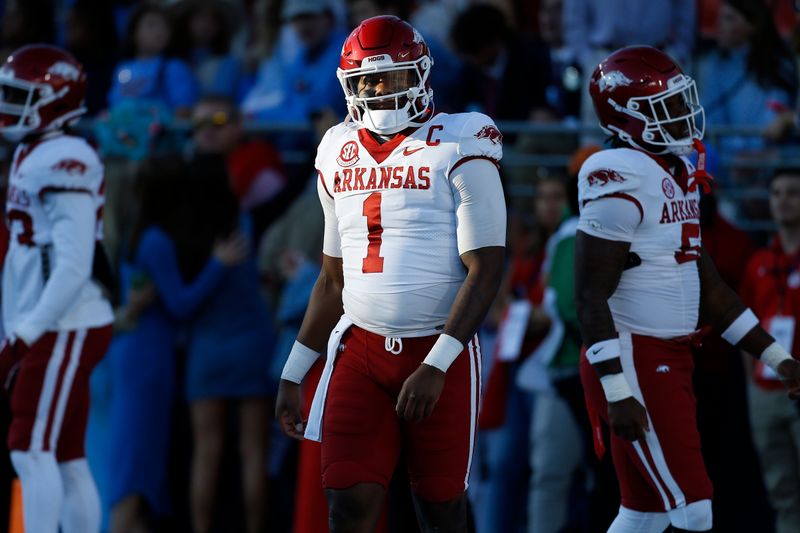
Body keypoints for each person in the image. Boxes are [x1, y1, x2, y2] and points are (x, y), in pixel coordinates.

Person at [274, 15, 506, 532]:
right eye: (366, 81)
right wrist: (295, 370)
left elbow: (487, 267)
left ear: (421, 74)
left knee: (441, 509)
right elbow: (332, 279)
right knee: (347, 504)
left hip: (437, 346)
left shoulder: (461, 139)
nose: (379, 90)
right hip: (358, 349)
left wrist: (439, 363)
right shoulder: (336, 147)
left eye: (393, 77)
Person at [575, 45, 800, 533]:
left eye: (681, 101)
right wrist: (616, 387)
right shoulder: (615, 173)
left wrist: (777, 357)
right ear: (626, 116)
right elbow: (589, 294)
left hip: (669, 356)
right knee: (694, 508)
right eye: (666, 106)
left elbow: (709, 286)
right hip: (634, 357)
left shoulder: (679, 173)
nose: (682, 114)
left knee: (643, 514)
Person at [0, 44, 115, 533]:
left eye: (18, 95)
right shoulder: (36, 149)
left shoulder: (64, 156)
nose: (7, 104)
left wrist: (27, 331)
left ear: (56, 98)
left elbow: (73, 264)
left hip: (65, 320)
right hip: (56, 318)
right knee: (64, 454)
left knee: (29, 448)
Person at [739, 167, 800, 533]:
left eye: (793, 192)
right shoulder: (758, 262)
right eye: (776, 192)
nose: (783, 200)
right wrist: (752, 382)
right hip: (764, 391)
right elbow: (744, 326)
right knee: (781, 488)